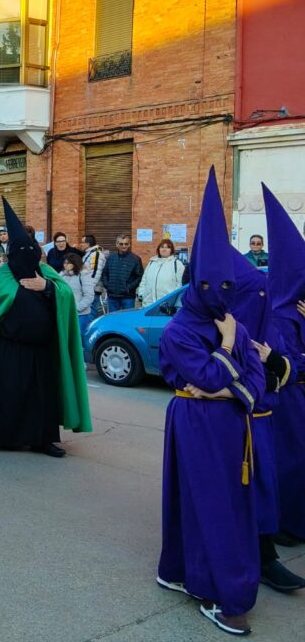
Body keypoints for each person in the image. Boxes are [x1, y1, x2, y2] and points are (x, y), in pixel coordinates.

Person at [156, 168, 266, 636]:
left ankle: (192, 571)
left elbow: (257, 381)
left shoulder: (234, 322)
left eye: (227, 288)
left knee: (228, 505)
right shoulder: (180, 330)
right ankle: (213, 588)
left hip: (229, 423)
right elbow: (202, 376)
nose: (220, 297)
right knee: (205, 501)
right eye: (210, 288)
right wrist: (225, 349)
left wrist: (225, 386)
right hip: (195, 421)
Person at [0, 199, 92, 457]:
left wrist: (46, 287)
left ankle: (43, 440)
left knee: (42, 397)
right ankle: (5, 437)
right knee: (8, 394)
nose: (26, 254)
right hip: (6, 349)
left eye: (30, 249)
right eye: (21, 250)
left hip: (41, 350)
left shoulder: (46, 273)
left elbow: (66, 298)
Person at [227, 244, 305, 593]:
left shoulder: (273, 320)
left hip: (266, 415)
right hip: (230, 421)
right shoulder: (217, 326)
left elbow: (286, 366)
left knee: (265, 483)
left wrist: (272, 367)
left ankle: (265, 554)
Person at [261, 184, 305, 547]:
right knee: (289, 460)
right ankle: (285, 523)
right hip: (289, 402)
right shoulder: (278, 314)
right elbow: (285, 364)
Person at [100, 234, 143, 312]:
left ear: (129, 244)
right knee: (113, 318)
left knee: (127, 318)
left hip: (128, 297)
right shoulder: (111, 258)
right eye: (121, 244)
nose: (124, 246)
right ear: (117, 244)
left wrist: (129, 288)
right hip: (112, 296)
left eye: (126, 244)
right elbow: (104, 274)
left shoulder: (135, 259)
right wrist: (107, 285)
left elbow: (139, 276)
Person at [137, 239, 185, 306]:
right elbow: (144, 280)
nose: (164, 249)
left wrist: (173, 300)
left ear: (171, 250)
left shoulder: (177, 264)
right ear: (159, 249)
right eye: (162, 247)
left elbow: (179, 285)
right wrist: (141, 294)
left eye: (167, 247)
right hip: (148, 304)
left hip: (167, 305)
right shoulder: (152, 262)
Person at [60, 252, 95, 338]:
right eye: (64, 263)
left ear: (74, 263)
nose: (65, 265)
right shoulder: (62, 275)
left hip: (80, 315)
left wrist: (76, 309)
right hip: (65, 313)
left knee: (79, 338)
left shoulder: (84, 275)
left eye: (68, 263)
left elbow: (89, 296)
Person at [80, 234, 108, 319]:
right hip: (89, 288)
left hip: (92, 289)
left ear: (88, 244)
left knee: (90, 314)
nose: (81, 244)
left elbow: (95, 273)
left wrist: (89, 288)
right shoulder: (90, 253)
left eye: (82, 242)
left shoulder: (96, 254)